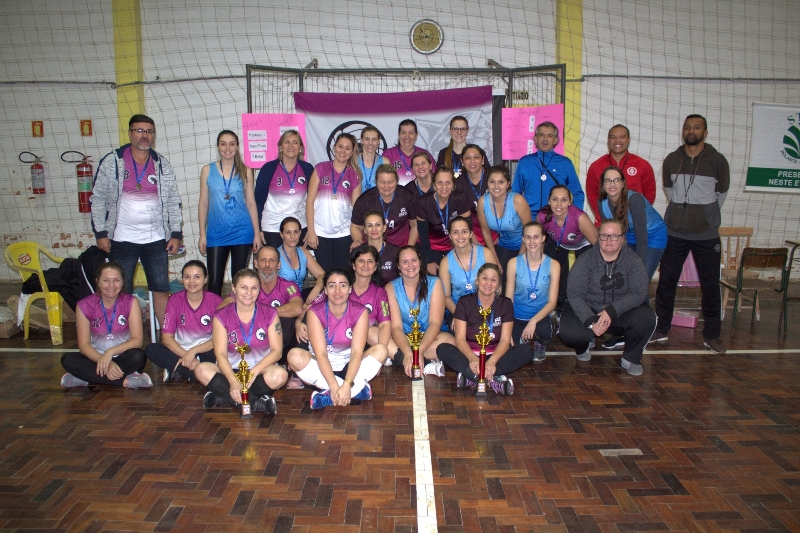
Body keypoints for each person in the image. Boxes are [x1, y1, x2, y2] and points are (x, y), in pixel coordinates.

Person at [90, 114, 183, 326]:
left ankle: (167, 337)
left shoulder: (162, 165)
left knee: (160, 289)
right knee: (121, 292)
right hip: (122, 239)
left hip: (156, 239)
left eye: (149, 132)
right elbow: (98, 199)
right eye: (140, 131)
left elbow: (172, 202)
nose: (145, 136)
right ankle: (120, 334)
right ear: (130, 133)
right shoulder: (112, 162)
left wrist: (175, 233)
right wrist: (101, 233)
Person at [654, 114, 730, 354]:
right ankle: (661, 330)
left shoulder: (717, 160)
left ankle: (712, 336)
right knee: (666, 282)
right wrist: (679, 213)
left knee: (710, 285)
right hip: (675, 232)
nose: (691, 131)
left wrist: (705, 214)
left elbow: (722, 193)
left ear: (705, 132)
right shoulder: (672, 160)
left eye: (696, 127)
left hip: (706, 234)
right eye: (687, 127)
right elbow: (669, 190)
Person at [557, 220, 656, 376]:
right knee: (568, 332)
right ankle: (583, 345)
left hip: (619, 312)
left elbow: (639, 292)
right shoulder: (585, 260)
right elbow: (574, 294)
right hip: (589, 309)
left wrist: (612, 310)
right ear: (598, 238)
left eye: (614, 236)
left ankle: (631, 358)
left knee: (647, 317)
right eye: (604, 236)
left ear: (622, 239)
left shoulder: (633, 261)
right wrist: (590, 321)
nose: (608, 240)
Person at [287, 268, 389, 409]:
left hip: (351, 367)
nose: (337, 290)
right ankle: (356, 390)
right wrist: (335, 386)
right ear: (325, 290)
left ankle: (331, 396)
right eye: (332, 285)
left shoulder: (360, 311)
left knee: (382, 350)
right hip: (322, 368)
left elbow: (356, 353)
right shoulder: (314, 312)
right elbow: (321, 354)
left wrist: (346, 384)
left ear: (349, 289)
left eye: (343, 285)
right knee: (293, 356)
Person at [194, 268, 288, 413]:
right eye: (243, 287)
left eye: (254, 288)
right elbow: (220, 354)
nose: (249, 293)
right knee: (201, 369)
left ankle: (224, 397)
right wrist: (233, 382)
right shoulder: (221, 316)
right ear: (233, 288)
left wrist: (253, 373)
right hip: (230, 371)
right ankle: (256, 403)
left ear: (259, 289)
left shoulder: (270, 313)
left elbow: (277, 352)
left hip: (258, 371)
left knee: (280, 375)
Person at [437, 263, 530, 395]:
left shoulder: (506, 304)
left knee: (526, 351)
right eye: (485, 278)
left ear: (498, 285)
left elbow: (505, 340)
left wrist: (492, 362)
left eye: (493, 280)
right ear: (477, 280)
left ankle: (471, 377)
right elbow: (460, 339)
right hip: (470, 355)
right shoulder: (464, 302)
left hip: (496, 355)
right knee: (443, 349)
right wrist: (472, 359)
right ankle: (493, 380)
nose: (488, 283)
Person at [60, 262, 151, 389]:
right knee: (68, 359)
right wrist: (105, 362)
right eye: (106, 280)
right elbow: (84, 345)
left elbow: (137, 341)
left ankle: (85, 377)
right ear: (98, 281)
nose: (111, 285)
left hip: (123, 357)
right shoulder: (84, 305)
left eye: (116, 280)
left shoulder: (131, 302)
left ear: (123, 282)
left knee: (138, 356)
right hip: (95, 359)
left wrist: (110, 353)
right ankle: (124, 381)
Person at [198, 130, 261, 296]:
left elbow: (251, 203)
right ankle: (214, 319)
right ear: (218, 147)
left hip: (242, 232)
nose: (228, 148)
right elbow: (203, 204)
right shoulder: (207, 170)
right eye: (223, 144)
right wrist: (202, 234)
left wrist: (256, 234)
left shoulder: (245, 170)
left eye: (232, 144)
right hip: (216, 233)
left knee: (238, 281)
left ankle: (236, 319)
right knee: (214, 282)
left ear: (237, 146)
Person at [145, 260, 222, 382]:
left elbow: (219, 339)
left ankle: (177, 369)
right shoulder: (175, 300)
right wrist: (186, 355)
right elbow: (166, 338)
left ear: (206, 279)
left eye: (197, 277)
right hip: (180, 351)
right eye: (187, 277)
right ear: (182, 279)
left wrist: (194, 351)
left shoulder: (216, 302)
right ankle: (192, 372)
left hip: (205, 350)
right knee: (151, 349)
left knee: (218, 353)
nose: (191, 282)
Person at [386, 246, 455, 378]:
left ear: (420, 261)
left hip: (429, 339)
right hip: (403, 339)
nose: (410, 265)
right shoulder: (390, 287)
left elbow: (435, 323)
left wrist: (420, 350)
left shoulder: (435, 283)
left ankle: (401, 358)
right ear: (398, 266)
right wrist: (407, 352)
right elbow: (396, 327)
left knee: (450, 342)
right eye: (404, 262)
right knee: (377, 335)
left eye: (414, 260)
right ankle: (423, 362)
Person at [305, 133, 363, 271]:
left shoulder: (354, 174)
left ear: (352, 152)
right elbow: (310, 202)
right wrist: (311, 231)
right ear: (334, 147)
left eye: (347, 148)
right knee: (326, 274)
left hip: (344, 233)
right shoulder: (320, 168)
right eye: (340, 146)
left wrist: (358, 234)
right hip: (321, 232)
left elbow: (356, 209)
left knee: (342, 273)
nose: (343, 151)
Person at [536, 185, 597, 312]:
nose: (559, 204)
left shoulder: (579, 217)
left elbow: (597, 244)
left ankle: (585, 306)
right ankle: (557, 304)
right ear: (548, 200)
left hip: (583, 244)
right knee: (551, 269)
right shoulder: (542, 216)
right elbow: (537, 239)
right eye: (555, 199)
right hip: (559, 243)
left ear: (570, 201)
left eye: (564, 200)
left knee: (581, 274)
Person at [505, 222, 560, 362]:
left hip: (540, 316)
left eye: (536, 237)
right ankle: (521, 338)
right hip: (517, 315)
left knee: (545, 331)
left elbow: (552, 303)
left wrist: (533, 321)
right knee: (513, 350)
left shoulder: (553, 265)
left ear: (543, 238)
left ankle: (540, 342)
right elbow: (508, 299)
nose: (532, 241)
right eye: (528, 237)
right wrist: (507, 326)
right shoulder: (513, 263)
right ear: (523, 239)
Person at [599, 166, 666, 280]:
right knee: (622, 275)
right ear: (603, 185)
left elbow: (642, 237)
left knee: (640, 278)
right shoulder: (602, 203)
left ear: (623, 183)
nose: (612, 184)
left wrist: (638, 266)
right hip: (629, 235)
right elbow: (610, 235)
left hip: (652, 235)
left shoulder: (635, 200)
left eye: (617, 180)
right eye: (608, 180)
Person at [255, 130, 315, 249]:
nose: (291, 146)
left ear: (301, 148)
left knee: (297, 264)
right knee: (273, 264)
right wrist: (258, 230)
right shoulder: (269, 168)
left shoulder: (307, 169)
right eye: (287, 142)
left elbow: (314, 201)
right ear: (280, 147)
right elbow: (258, 201)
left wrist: (311, 229)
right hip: (272, 227)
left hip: (299, 227)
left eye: (295, 142)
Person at [586, 124, 656, 226]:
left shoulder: (643, 165)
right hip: (605, 223)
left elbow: (649, 195)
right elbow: (592, 195)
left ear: (628, 140)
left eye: (622, 137)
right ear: (608, 141)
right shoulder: (596, 166)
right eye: (613, 137)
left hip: (633, 224)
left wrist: (635, 216)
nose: (617, 141)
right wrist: (604, 216)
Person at [512, 121, 584, 216]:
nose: (545, 139)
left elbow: (578, 193)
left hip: (556, 218)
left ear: (556, 140)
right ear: (536, 139)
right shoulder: (524, 162)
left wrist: (574, 217)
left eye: (550, 135)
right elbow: (515, 193)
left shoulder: (565, 163)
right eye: (541, 135)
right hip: (529, 219)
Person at [416, 167, 472, 275]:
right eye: (440, 183)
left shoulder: (460, 199)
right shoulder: (423, 202)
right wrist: (430, 260)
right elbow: (422, 234)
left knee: (457, 276)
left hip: (455, 244)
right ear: (434, 185)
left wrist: (464, 252)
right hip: (431, 246)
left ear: (453, 185)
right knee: (435, 278)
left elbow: (467, 228)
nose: (444, 187)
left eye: (448, 183)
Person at [440, 216, 498, 316]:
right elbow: (446, 297)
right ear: (450, 236)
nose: (460, 236)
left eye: (464, 231)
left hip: (486, 306)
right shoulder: (445, 263)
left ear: (471, 234)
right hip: (459, 309)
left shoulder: (486, 254)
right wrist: (459, 315)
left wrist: (486, 310)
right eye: (455, 232)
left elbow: (496, 285)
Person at [477, 165, 532, 272]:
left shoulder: (518, 201)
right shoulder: (483, 202)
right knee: (498, 276)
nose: (496, 186)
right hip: (504, 245)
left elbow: (529, 231)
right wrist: (495, 259)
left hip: (526, 246)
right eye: (492, 182)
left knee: (519, 279)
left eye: (501, 182)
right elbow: (486, 232)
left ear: (508, 184)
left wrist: (520, 258)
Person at [350, 164, 418, 250]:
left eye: (390, 182)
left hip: (401, 248)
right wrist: (360, 245)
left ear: (397, 181)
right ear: (376, 181)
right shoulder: (364, 200)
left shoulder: (407, 196)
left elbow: (415, 225)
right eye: (382, 182)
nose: (386, 186)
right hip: (372, 249)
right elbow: (355, 227)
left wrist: (409, 249)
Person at [455, 144, 496, 246]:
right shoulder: (458, 184)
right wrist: (474, 241)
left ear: (483, 160)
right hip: (471, 233)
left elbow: (506, 208)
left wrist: (501, 236)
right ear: (462, 161)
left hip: (497, 231)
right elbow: (462, 218)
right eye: (468, 158)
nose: (472, 161)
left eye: (476, 157)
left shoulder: (494, 178)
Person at [277, 216, 325, 304]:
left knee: (326, 292)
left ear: (300, 233)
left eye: (295, 232)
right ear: (281, 235)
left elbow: (322, 275)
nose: (292, 236)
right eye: (288, 232)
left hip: (300, 296)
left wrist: (316, 289)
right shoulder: (275, 255)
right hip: (283, 297)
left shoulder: (303, 251)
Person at [383, 119, 435, 186]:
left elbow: (435, 178)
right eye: (403, 132)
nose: (407, 137)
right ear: (399, 135)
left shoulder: (425, 154)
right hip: (397, 195)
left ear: (416, 135)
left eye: (411, 133)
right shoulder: (388, 155)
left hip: (420, 195)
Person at [362, 210, 400, 285]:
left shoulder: (395, 251)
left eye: (378, 225)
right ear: (365, 230)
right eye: (370, 225)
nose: (374, 229)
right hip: (367, 295)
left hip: (389, 294)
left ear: (384, 227)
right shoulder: (359, 252)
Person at [358, 126, 389, 192]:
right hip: (356, 201)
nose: (370, 143)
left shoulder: (385, 162)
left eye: (374, 139)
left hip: (377, 201)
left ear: (378, 141)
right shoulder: (353, 160)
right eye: (367, 139)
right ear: (361, 140)